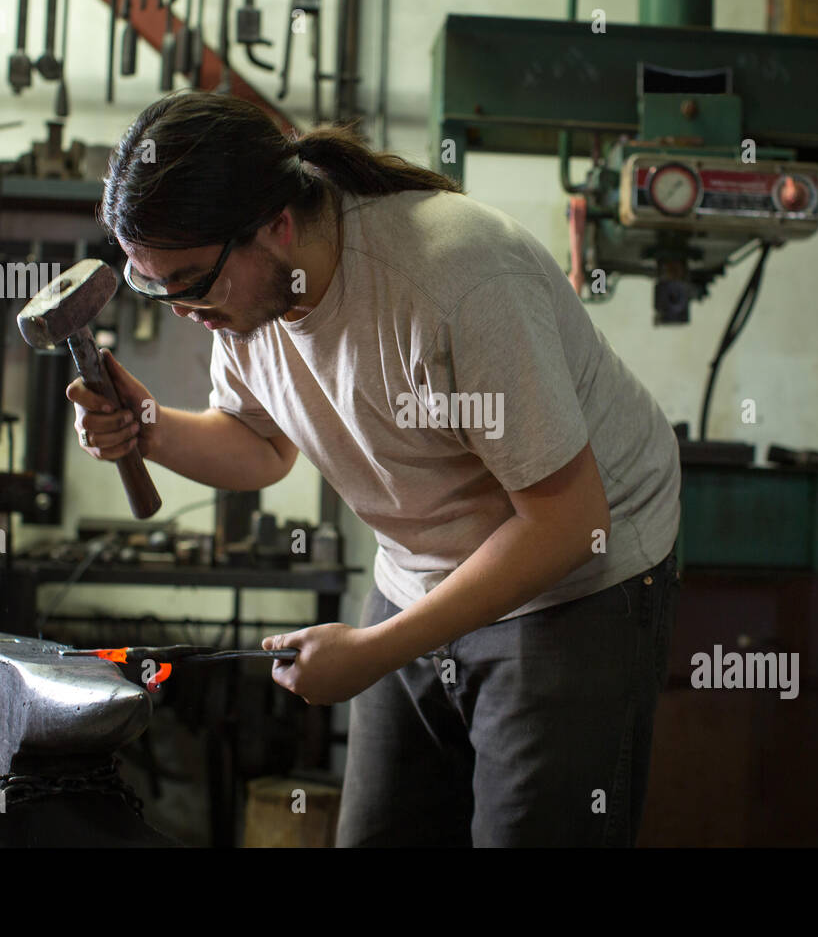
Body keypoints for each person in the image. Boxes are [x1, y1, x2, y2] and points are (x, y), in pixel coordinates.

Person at [69, 90, 681, 847]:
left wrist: (375, 653)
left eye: (189, 283)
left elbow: (566, 522)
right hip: (419, 570)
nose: (181, 310)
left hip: (574, 580)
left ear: (278, 227)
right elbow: (261, 444)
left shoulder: (455, 279)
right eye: (153, 286)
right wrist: (149, 429)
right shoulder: (245, 293)